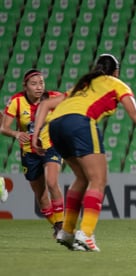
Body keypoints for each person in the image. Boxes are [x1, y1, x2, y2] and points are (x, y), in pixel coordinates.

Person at [32, 54, 136, 252]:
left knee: (82, 177)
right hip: (80, 123)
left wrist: (36, 135)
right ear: (116, 72)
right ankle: (85, 234)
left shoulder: (83, 85)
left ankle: (67, 231)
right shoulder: (117, 84)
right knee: (98, 180)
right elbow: (134, 112)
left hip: (56, 126)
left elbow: (45, 104)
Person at [0, 69, 64, 237]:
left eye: (41, 83)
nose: (38, 87)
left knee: (52, 182)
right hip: (29, 153)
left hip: (51, 147)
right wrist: (16, 134)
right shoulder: (17, 101)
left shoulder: (53, 97)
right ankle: (57, 226)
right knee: (41, 196)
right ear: (25, 86)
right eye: (34, 84)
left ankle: (62, 224)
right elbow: (4, 128)